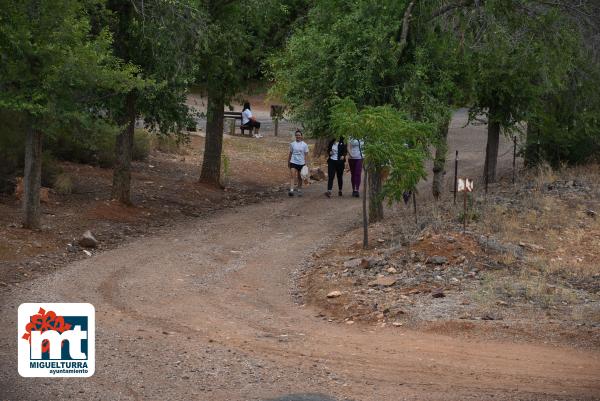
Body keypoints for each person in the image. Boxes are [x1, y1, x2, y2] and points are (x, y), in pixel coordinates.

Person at [288, 130, 309, 196]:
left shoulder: (305, 145)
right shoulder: (292, 144)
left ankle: (299, 190)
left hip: (301, 163)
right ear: (295, 136)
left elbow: (306, 155)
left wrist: (305, 164)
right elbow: (290, 153)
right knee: (292, 176)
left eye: (299, 135)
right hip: (293, 161)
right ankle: (291, 190)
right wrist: (288, 162)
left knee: (300, 177)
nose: (298, 136)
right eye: (296, 135)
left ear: (301, 136)